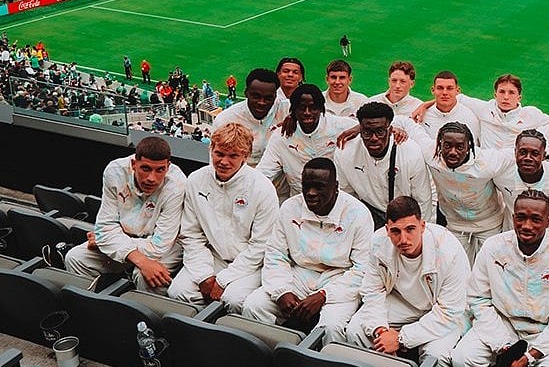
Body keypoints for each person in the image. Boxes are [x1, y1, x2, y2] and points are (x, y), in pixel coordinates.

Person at [450, 190, 549, 367]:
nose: (527, 226)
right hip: (502, 323)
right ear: (513, 217)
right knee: (462, 358)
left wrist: (528, 357)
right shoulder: (493, 248)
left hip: (545, 330)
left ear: (548, 222)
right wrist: (503, 345)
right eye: (521, 217)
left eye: (536, 219)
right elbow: (478, 299)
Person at [242, 158, 371, 336]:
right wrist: (282, 291)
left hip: (339, 277)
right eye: (306, 186)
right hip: (300, 273)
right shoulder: (289, 208)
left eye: (319, 187)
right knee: (254, 306)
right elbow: (276, 254)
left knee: (332, 327)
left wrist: (324, 295)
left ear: (336, 186)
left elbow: (362, 269)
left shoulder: (358, 214)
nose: (310, 193)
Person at [346, 195, 469, 367]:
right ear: (387, 230)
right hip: (404, 302)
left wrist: (400, 338)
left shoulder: (449, 251)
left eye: (410, 229)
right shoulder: (378, 242)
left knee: (435, 355)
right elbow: (372, 291)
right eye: (395, 231)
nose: (403, 239)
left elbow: (450, 311)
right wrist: (381, 331)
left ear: (423, 226)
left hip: (444, 310)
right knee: (355, 330)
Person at [168, 123, 279, 312]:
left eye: (233, 156)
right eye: (219, 153)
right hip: (212, 257)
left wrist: (223, 280)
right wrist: (204, 276)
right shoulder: (196, 180)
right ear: (211, 149)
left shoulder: (263, 188)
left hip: (250, 265)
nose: (224, 162)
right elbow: (191, 234)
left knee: (233, 299)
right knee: (178, 291)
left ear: (245, 156)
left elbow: (261, 245)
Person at [64, 137, 186, 293]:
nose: (151, 178)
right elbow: (106, 226)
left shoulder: (177, 185)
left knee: (147, 276)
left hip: (165, 246)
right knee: (75, 258)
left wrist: (106, 241)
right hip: (126, 237)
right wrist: (138, 258)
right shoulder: (115, 171)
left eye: (160, 170)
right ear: (134, 164)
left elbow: (159, 245)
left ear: (168, 167)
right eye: (146, 169)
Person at [400, 120, 515, 261]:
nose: (453, 152)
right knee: (455, 266)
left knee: (488, 268)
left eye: (460, 147)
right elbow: (409, 125)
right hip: (454, 224)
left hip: (489, 224)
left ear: (469, 147)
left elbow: (515, 152)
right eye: (447, 145)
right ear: (440, 144)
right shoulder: (431, 154)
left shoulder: (487, 163)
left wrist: (548, 153)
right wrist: (396, 128)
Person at [334, 101, 432, 225]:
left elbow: (422, 200)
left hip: (406, 216)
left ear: (390, 130)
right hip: (369, 212)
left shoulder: (410, 152)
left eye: (380, 132)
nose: (374, 138)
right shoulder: (345, 151)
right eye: (367, 132)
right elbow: (347, 197)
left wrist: (421, 232)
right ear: (360, 130)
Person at [257, 84, 355, 200]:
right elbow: (264, 172)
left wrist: (360, 128)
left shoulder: (341, 126)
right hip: (301, 201)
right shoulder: (281, 136)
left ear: (321, 108)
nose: (307, 112)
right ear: (293, 110)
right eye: (301, 108)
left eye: (313, 107)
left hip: (341, 199)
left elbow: (373, 124)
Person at [494, 130, 549, 238]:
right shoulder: (501, 175)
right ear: (515, 152)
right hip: (512, 242)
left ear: (544, 155)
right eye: (523, 152)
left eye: (535, 153)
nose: (528, 158)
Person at [436, 74, 549, 150]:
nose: (506, 97)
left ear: (519, 97)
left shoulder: (531, 114)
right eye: (502, 92)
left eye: (511, 92)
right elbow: (454, 97)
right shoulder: (484, 108)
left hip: (513, 170)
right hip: (487, 169)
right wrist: (425, 106)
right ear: (495, 95)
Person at [213, 68, 285, 167]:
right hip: (240, 179)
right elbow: (216, 162)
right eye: (256, 96)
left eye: (268, 98)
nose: (261, 102)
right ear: (246, 93)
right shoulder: (225, 120)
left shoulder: (287, 111)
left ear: (275, 96)